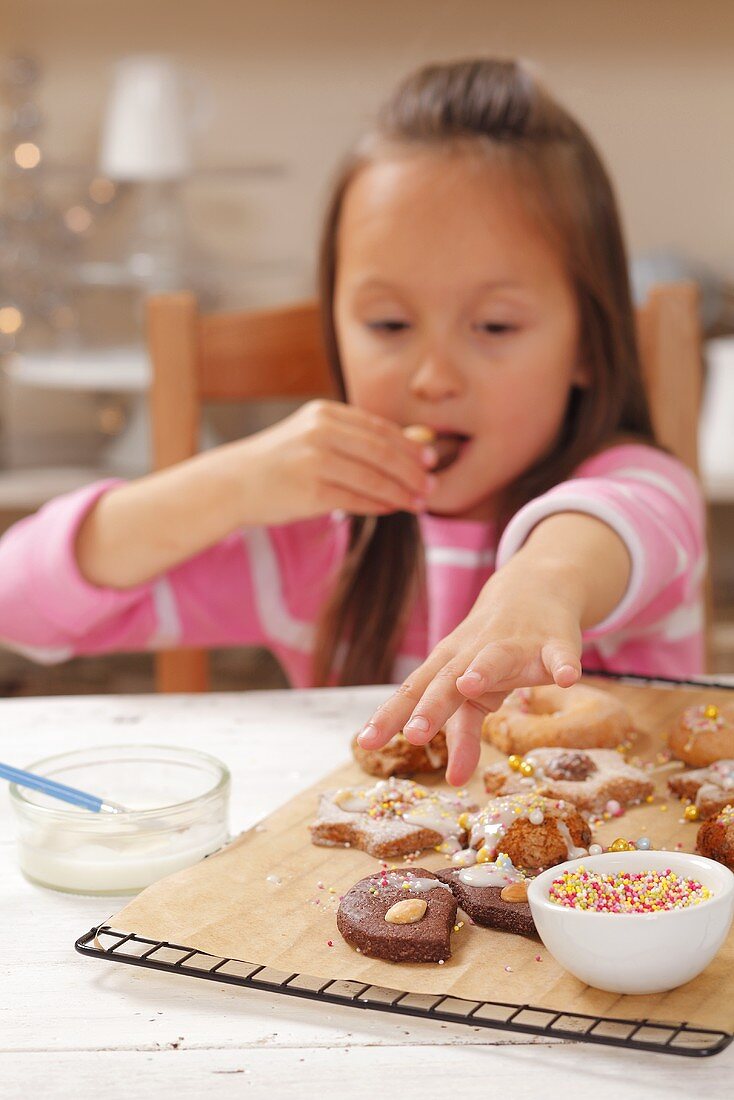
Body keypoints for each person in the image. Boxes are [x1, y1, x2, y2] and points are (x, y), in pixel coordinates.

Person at [0, 59, 705, 785]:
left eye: (494, 326)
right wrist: (235, 482)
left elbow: (617, 525)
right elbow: (18, 601)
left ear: (588, 342)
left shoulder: (639, 489)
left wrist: (544, 587)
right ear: (335, 327)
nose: (434, 379)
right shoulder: (316, 541)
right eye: (389, 322)